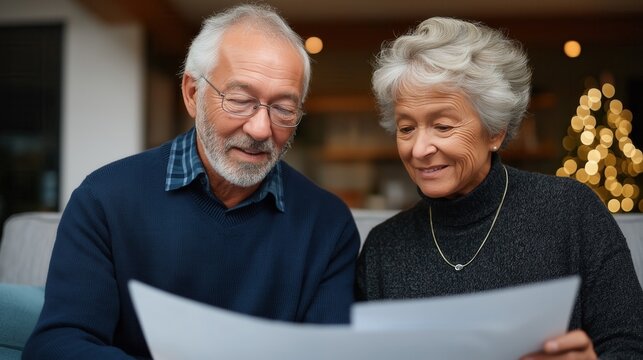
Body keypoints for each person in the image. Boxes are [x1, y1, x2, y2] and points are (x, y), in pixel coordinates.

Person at [24, 4, 360, 359]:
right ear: (192, 94)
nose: (262, 129)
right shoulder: (104, 200)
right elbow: (56, 345)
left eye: (283, 109)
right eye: (240, 100)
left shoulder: (327, 224)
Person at [355, 16, 643, 359]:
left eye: (443, 126)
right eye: (406, 128)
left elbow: (629, 345)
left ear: (496, 131)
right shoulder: (383, 250)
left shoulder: (570, 212)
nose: (418, 149)